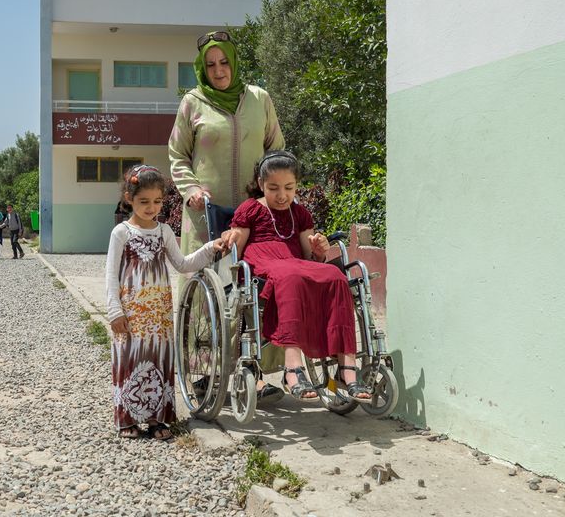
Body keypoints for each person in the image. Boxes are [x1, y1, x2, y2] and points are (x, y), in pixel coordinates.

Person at [168, 30, 286, 400]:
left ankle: (257, 373)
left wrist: (268, 191)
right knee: (206, 295)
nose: (219, 71)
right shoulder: (193, 102)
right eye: (211, 65)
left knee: (254, 289)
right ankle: (203, 373)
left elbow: (275, 149)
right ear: (203, 69)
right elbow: (177, 155)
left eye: (224, 63)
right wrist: (191, 190)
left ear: (234, 63)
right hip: (205, 217)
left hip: (253, 217)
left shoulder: (259, 99)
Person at [220, 151, 372, 402]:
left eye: (289, 187)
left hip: (293, 263)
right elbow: (237, 253)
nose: (282, 195)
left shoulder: (300, 214)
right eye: (274, 188)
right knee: (289, 275)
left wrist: (320, 250)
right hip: (262, 261)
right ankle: (293, 368)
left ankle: (347, 370)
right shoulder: (251, 208)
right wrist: (230, 237)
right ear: (260, 184)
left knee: (334, 275)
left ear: (297, 185)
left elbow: (309, 259)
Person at [105, 165, 225, 440]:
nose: (151, 207)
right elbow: (111, 273)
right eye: (143, 201)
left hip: (159, 315)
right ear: (129, 199)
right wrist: (114, 311)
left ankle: (159, 419)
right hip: (131, 313)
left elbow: (183, 265)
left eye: (157, 201)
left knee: (159, 360)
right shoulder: (121, 233)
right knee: (130, 360)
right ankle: (127, 420)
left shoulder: (164, 232)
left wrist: (210, 247)